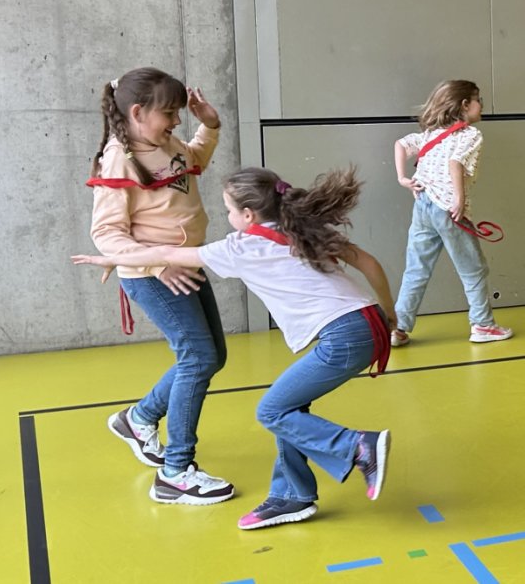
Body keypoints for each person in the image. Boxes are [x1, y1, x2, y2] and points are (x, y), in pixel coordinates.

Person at [74, 167, 396, 529]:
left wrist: (112, 258)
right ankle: (292, 495)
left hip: (345, 336)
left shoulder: (241, 248)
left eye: (228, 210)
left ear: (247, 215)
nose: (227, 217)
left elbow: (166, 252)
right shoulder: (304, 229)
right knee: (290, 407)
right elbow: (369, 263)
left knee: (272, 411)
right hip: (368, 322)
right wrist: (389, 312)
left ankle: (356, 447)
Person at [89, 66, 233, 504]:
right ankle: (176, 472)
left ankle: (139, 419)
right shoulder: (119, 158)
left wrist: (210, 126)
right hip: (155, 276)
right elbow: (107, 234)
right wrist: (157, 263)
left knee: (212, 356)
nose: (176, 120)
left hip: (185, 264)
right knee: (198, 357)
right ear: (137, 112)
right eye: (169, 113)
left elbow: (194, 162)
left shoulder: (164, 143)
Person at [389, 80, 512, 347]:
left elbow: (401, 144)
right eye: (478, 100)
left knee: (416, 269)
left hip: (423, 205)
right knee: (473, 269)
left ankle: (398, 328)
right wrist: (459, 199)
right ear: (465, 104)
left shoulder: (432, 133)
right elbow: (455, 163)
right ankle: (483, 324)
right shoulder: (470, 135)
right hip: (447, 208)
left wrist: (402, 178)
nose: (482, 106)